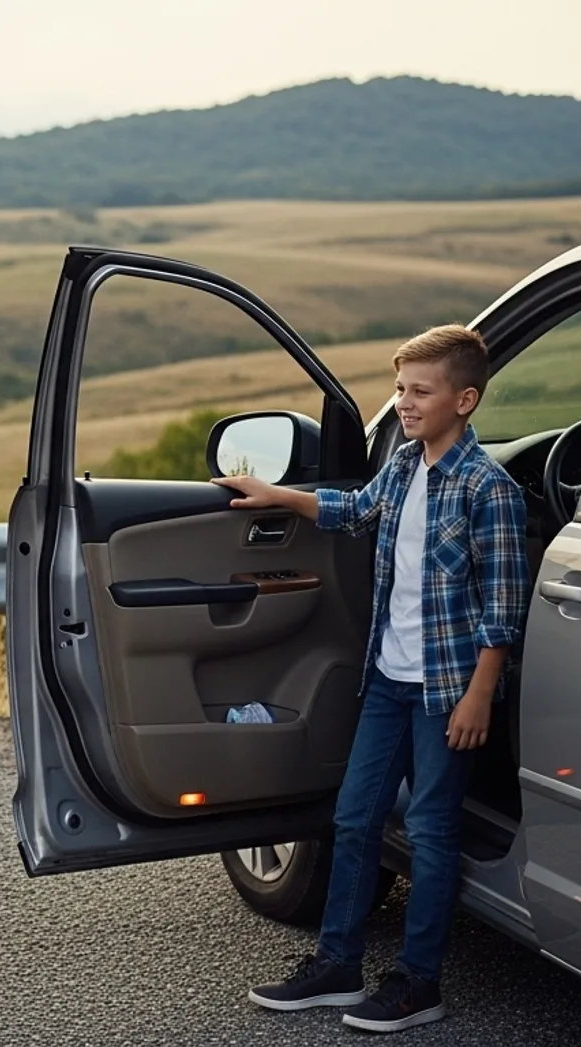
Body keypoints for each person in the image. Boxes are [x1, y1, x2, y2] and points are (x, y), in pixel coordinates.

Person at [218, 324, 529, 1034]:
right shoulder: (405, 466)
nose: (404, 402)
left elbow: (503, 609)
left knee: (429, 828)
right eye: (399, 388)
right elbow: (354, 510)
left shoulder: (490, 490)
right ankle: (337, 964)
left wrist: (479, 692)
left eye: (420, 391)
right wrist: (276, 494)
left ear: (465, 399)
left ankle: (418, 981)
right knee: (356, 815)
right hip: (388, 679)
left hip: (447, 688)